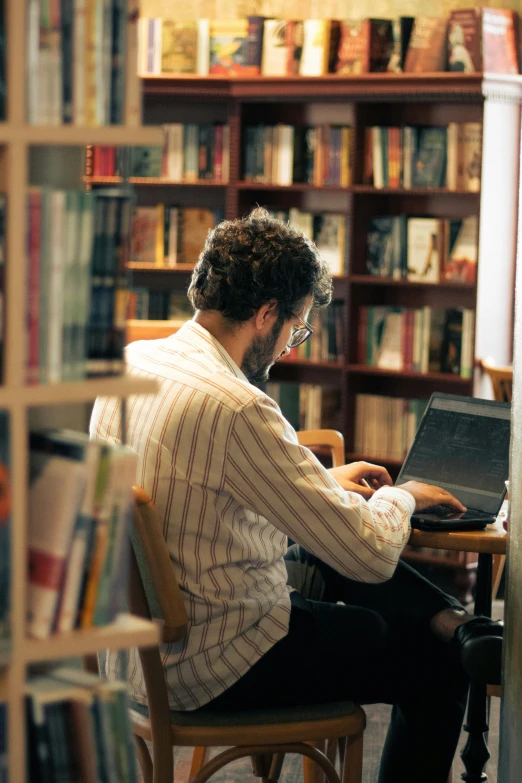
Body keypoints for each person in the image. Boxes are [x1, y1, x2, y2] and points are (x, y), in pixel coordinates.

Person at [91, 208, 503, 783]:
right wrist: (403, 496)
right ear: (266, 315)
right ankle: (459, 634)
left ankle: (457, 622)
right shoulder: (238, 405)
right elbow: (370, 554)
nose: (291, 344)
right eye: (297, 327)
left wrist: (320, 487)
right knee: (429, 662)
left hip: (138, 655)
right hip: (217, 661)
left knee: (318, 556)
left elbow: (198, 490)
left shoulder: (135, 363)